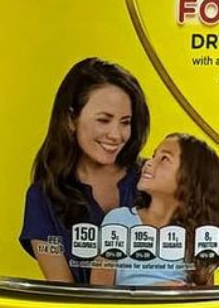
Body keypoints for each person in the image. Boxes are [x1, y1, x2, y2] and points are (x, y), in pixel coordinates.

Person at [19, 57, 150, 283]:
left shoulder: (154, 180)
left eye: (125, 122)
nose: (116, 135)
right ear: (71, 119)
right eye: (104, 120)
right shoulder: (43, 198)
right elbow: (62, 289)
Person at [91, 133, 219, 287]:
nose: (149, 163)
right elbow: (100, 290)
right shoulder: (118, 221)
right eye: (153, 156)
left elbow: (205, 295)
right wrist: (153, 292)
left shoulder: (197, 235)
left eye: (164, 159)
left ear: (190, 178)